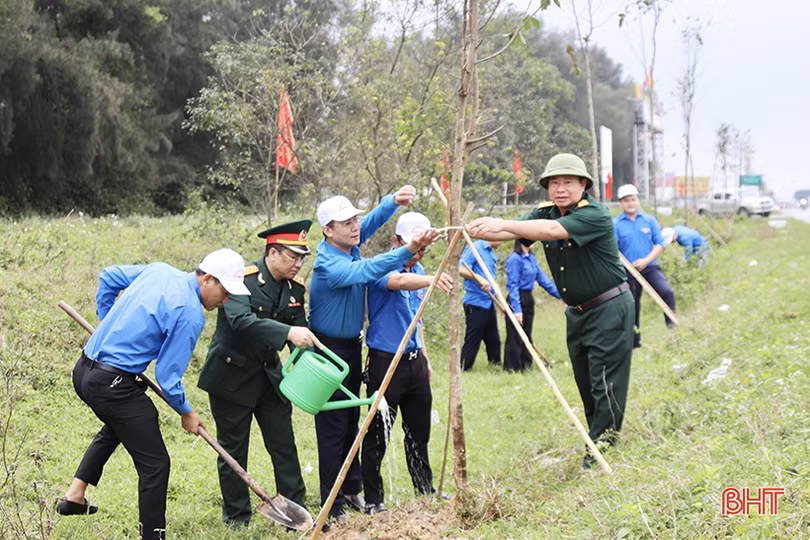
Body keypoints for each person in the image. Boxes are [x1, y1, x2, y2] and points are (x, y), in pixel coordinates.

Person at [57, 249, 251, 540]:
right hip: (111, 383)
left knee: (124, 422)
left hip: (83, 371)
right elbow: (168, 377)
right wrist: (187, 412)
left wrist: (108, 322)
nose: (226, 300)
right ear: (208, 279)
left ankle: (75, 494)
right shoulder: (190, 314)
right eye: (225, 291)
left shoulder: (160, 270)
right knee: (156, 464)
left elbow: (108, 276)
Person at [466, 153, 634, 468]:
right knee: (586, 382)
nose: (560, 189)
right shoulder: (545, 211)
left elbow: (551, 231)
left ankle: (602, 451)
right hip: (577, 312)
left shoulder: (593, 214)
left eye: (567, 182)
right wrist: (474, 230)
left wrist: (502, 223)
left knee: (604, 381)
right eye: (554, 183)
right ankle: (598, 439)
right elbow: (513, 232)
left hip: (609, 307)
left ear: (583, 184)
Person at [308, 188, 439, 525]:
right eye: (346, 222)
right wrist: (407, 250)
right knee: (333, 428)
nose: (355, 227)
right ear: (327, 229)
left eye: (355, 219)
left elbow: (372, 224)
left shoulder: (346, 244)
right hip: (327, 349)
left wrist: (392, 202)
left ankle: (351, 490)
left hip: (352, 346)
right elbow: (370, 271)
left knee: (352, 422)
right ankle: (332, 504)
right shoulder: (329, 264)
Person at [198, 220, 321, 527]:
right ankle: (237, 519)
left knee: (284, 444)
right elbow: (240, 321)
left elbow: (300, 332)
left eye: (302, 258)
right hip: (231, 377)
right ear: (272, 252)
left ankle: (295, 514)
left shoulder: (295, 288)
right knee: (233, 451)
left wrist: (314, 367)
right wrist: (289, 332)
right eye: (293, 256)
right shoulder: (242, 279)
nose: (298, 263)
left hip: (269, 378)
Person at [361, 212, 453, 515]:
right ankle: (374, 499)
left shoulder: (421, 268)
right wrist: (432, 277)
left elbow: (418, 318)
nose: (418, 255)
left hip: (414, 361)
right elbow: (399, 282)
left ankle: (424, 489)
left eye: (424, 250)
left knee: (419, 430)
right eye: (414, 248)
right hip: (386, 362)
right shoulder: (380, 267)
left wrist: (424, 354)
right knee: (377, 434)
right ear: (396, 242)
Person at [614, 184, 677, 348]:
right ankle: (634, 344)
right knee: (632, 305)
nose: (630, 203)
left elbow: (660, 244)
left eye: (633, 199)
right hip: (627, 271)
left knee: (666, 292)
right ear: (621, 203)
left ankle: (674, 330)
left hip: (649, 267)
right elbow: (613, 250)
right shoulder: (616, 224)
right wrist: (628, 265)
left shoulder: (649, 220)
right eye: (626, 201)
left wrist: (646, 261)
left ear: (638, 201)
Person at [503, 239, 561, 372]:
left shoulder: (531, 258)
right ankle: (512, 368)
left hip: (528, 298)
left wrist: (561, 295)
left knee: (527, 334)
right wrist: (517, 310)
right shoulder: (515, 259)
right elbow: (513, 285)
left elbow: (542, 279)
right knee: (515, 335)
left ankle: (526, 365)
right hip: (516, 298)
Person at [459, 239, 502, 370]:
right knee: (473, 338)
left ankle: (495, 366)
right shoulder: (475, 247)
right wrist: (479, 278)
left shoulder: (491, 253)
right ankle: (464, 367)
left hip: (489, 301)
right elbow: (460, 268)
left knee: (493, 339)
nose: (502, 242)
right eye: (501, 238)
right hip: (475, 301)